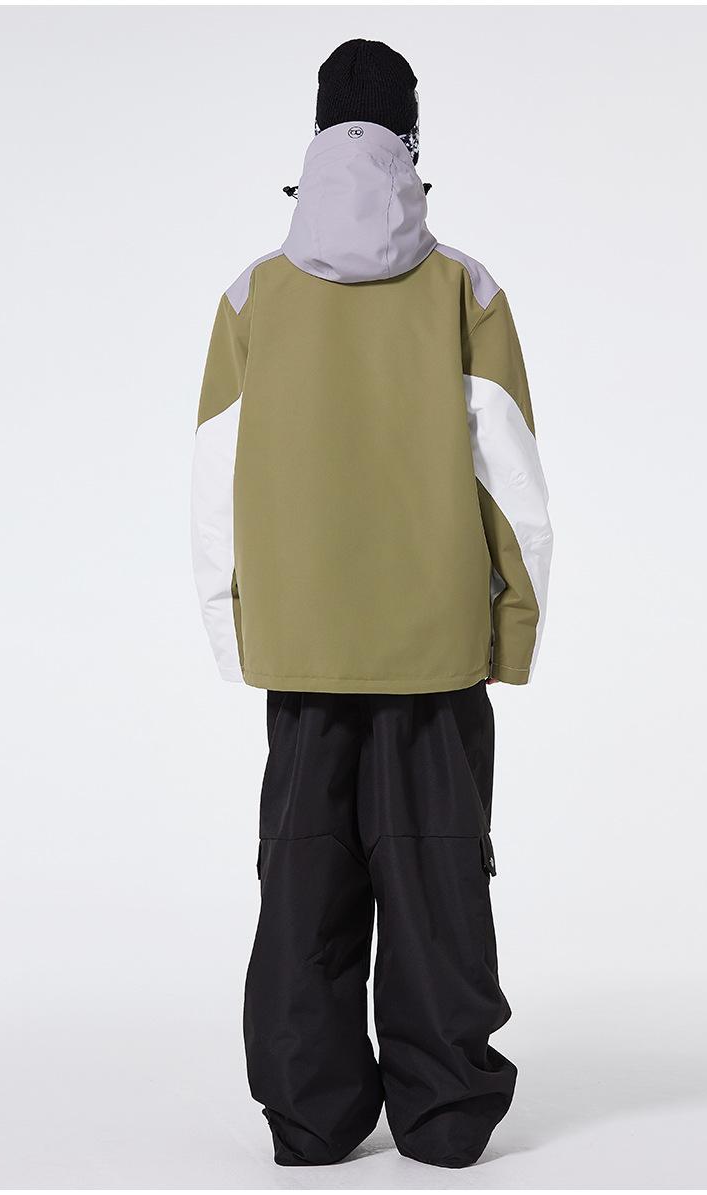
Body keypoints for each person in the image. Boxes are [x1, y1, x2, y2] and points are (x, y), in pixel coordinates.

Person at [191, 38, 553, 1169]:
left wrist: (239, 633)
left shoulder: (252, 294)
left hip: (300, 642)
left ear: (314, 135)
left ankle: (309, 1116)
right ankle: (444, 1117)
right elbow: (512, 482)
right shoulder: (465, 289)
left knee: (303, 871)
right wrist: (511, 630)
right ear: (411, 140)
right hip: (436, 645)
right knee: (438, 872)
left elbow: (214, 482)